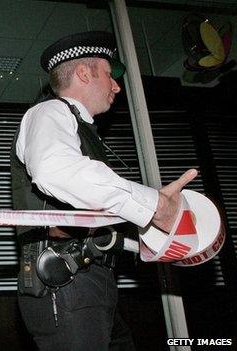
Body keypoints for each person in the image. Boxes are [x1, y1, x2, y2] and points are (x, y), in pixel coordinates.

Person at [11, 31, 197, 350]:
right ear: (84, 73)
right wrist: (154, 206)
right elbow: (53, 169)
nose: (116, 86)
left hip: (91, 284)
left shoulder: (82, 130)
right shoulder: (50, 112)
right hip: (68, 284)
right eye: (110, 75)